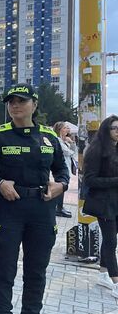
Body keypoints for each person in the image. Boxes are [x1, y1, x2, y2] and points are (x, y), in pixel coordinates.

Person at [0, 84, 69, 314]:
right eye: (11, 102)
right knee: (5, 270)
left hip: (41, 210)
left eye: (21, 101)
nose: (15, 106)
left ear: (34, 104)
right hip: (7, 210)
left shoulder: (49, 137)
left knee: (36, 271)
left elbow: (62, 170)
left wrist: (60, 185)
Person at [82, 115, 118, 295]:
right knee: (111, 241)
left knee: (110, 239)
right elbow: (90, 180)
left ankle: (104, 273)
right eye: (115, 128)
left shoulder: (115, 149)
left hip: (115, 201)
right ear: (106, 130)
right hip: (103, 203)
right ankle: (116, 281)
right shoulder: (97, 150)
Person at [53, 121, 76, 218]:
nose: (68, 129)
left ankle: (60, 206)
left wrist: (71, 143)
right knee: (61, 186)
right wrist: (71, 143)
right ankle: (59, 208)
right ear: (60, 130)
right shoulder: (57, 140)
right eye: (65, 128)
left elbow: (72, 152)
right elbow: (68, 152)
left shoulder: (64, 141)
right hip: (62, 167)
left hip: (66, 165)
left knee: (63, 187)